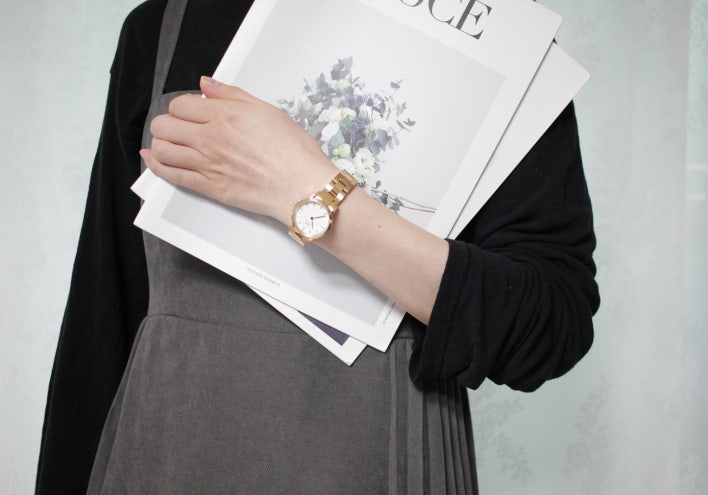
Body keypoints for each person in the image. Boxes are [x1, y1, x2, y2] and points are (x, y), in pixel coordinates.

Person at [36, 0, 600, 494]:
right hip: (163, 457)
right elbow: (103, 310)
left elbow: (552, 325)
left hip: (378, 458)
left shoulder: (496, 33)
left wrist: (308, 191)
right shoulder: (160, 24)